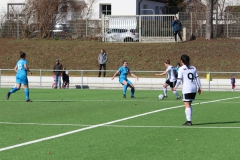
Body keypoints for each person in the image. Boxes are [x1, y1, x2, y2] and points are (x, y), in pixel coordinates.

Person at [173, 54, 202, 126]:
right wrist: (200, 87)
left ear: (181, 61)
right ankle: (189, 119)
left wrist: (175, 87)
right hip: (194, 88)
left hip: (187, 88)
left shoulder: (181, 69)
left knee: (186, 105)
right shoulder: (193, 68)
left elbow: (179, 80)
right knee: (189, 104)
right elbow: (197, 78)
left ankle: (189, 121)